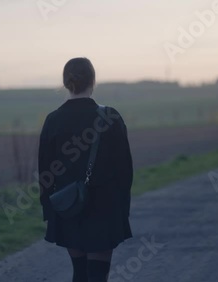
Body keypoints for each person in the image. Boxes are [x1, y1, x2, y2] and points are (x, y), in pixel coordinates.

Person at [38, 57, 133, 282]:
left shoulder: (53, 120)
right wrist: (122, 210)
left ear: (65, 82)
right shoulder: (110, 117)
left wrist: (50, 210)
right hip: (104, 206)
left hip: (68, 206)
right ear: (93, 81)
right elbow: (125, 171)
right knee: (98, 276)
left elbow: (44, 172)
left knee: (79, 274)